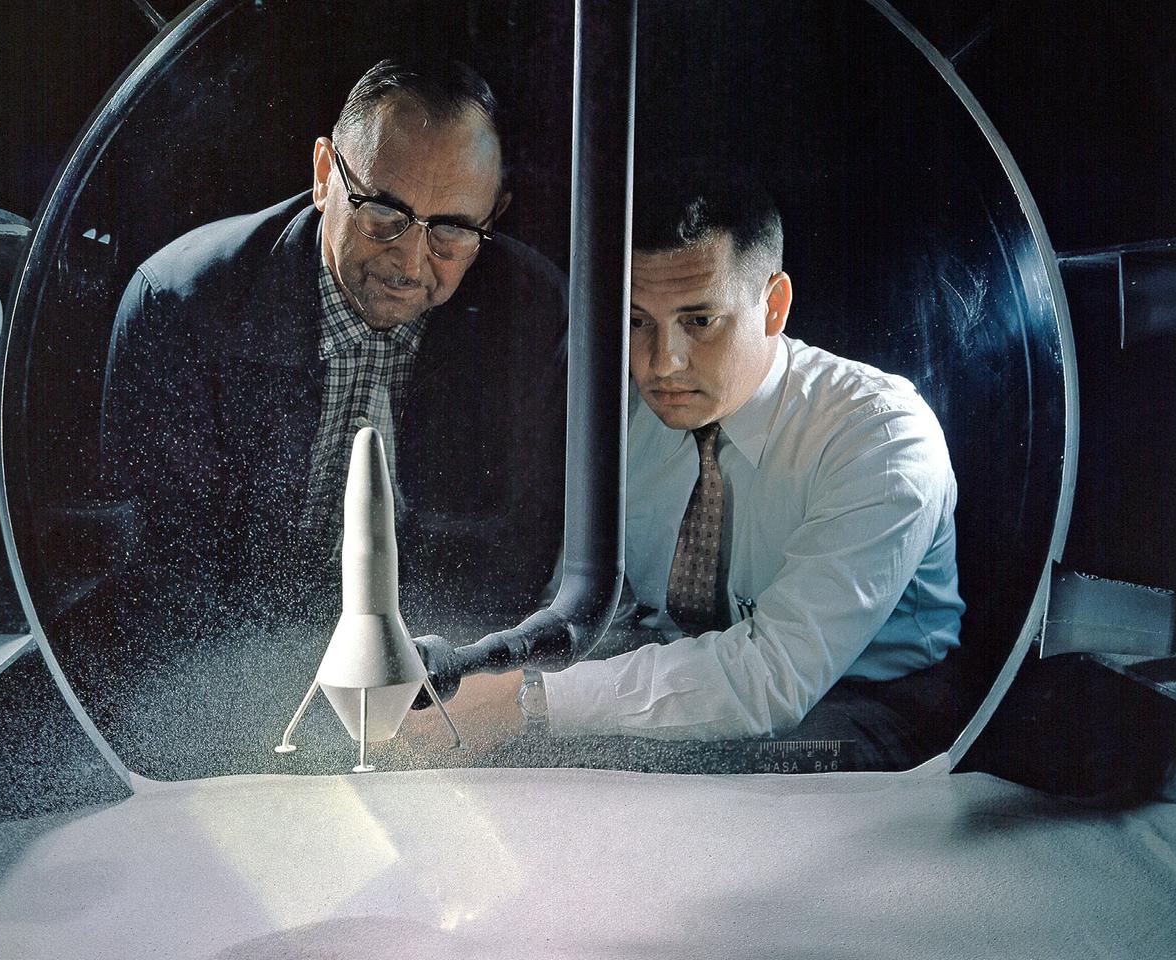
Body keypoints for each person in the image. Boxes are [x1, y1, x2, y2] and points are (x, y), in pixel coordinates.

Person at [417, 160, 965, 770]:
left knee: (728, 773)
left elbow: (772, 679)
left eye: (699, 321)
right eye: (638, 321)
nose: (663, 364)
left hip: (863, 704)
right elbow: (588, 614)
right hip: (678, 672)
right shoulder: (626, 414)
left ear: (774, 306)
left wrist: (527, 701)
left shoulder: (882, 438)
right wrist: (473, 673)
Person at [101, 58, 567, 620]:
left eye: (452, 229)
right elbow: (164, 575)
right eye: (385, 212)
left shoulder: (539, 317)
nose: (409, 262)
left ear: (493, 216)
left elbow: (515, 566)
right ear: (324, 175)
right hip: (231, 651)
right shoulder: (179, 307)